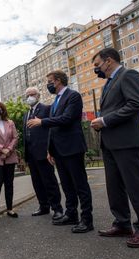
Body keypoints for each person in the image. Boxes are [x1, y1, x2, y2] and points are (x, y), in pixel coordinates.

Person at [91, 48, 139, 248]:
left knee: (135, 187)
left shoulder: (129, 75)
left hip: (127, 142)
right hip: (110, 143)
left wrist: (105, 120)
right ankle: (122, 223)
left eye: (97, 65)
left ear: (108, 61)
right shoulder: (108, 84)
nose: (96, 70)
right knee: (114, 187)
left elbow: (137, 103)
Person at [27, 70, 93, 233]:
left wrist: (42, 121)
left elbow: (67, 119)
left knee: (80, 185)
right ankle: (71, 214)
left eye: (49, 81)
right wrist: (50, 150)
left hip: (72, 147)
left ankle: (87, 219)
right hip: (59, 150)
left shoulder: (73, 96)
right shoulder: (56, 99)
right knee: (66, 185)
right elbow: (53, 129)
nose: (48, 84)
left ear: (57, 81)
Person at [22, 87, 63, 221]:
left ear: (38, 95)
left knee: (49, 181)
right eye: (27, 95)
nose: (29, 97)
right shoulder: (26, 114)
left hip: (43, 152)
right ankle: (43, 206)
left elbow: (51, 129)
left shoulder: (46, 109)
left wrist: (50, 150)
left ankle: (57, 208)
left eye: (32, 94)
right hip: (31, 154)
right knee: (37, 182)